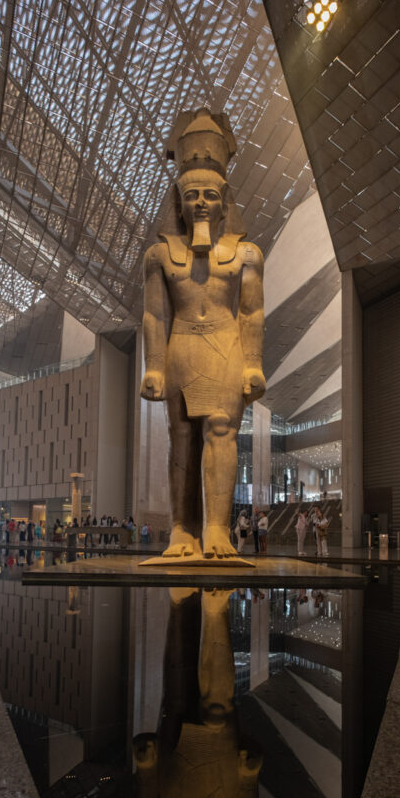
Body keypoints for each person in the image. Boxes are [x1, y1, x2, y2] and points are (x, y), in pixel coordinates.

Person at [140, 110, 265, 559]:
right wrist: (152, 366)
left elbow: (251, 311)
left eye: (209, 195)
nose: (199, 203)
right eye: (190, 195)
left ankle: (216, 529)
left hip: (227, 345)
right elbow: (154, 315)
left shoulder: (246, 254)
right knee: (183, 437)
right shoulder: (159, 255)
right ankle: (180, 529)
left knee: (221, 430)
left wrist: (253, 363)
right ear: (177, 200)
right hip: (182, 346)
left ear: (225, 200)